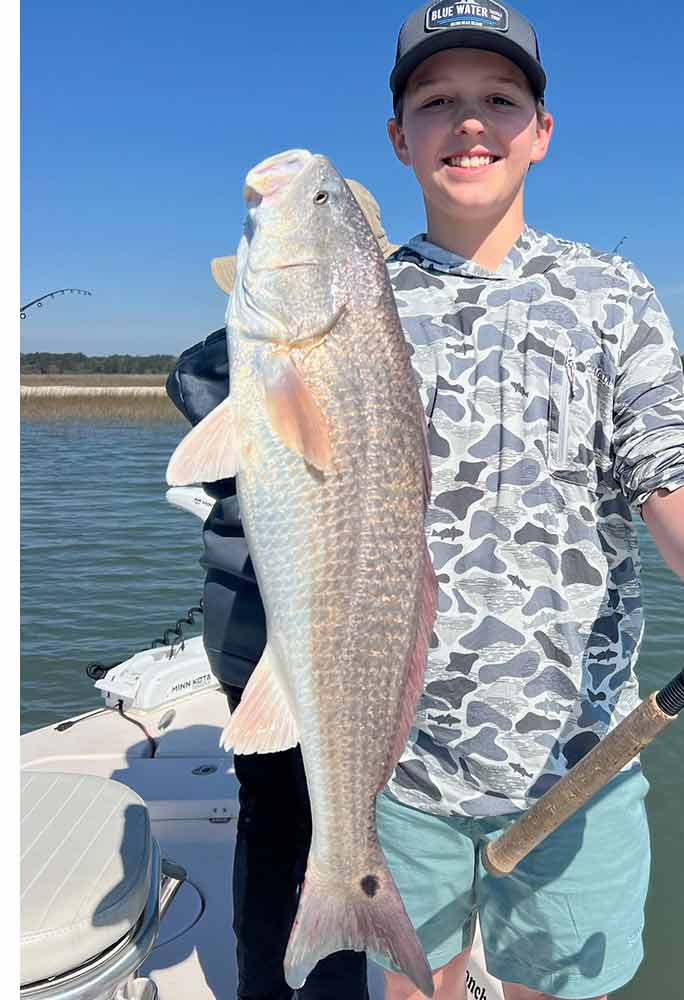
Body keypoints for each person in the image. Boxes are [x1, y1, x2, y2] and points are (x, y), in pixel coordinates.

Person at [175, 4, 684, 998]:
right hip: (399, 758)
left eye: (499, 98)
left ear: (542, 131)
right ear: (399, 137)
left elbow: (668, 465)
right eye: (436, 101)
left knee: (550, 983)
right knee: (417, 979)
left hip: (582, 754)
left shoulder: (610, 292)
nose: (469, 121)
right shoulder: (359, 292)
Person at [165, 179, 395, 1000]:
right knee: (322, 816)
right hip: (309, 633)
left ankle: (265, 982)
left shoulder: (206, 365)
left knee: (270, 824)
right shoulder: (260, 363)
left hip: (246, 629)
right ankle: (323, 974)